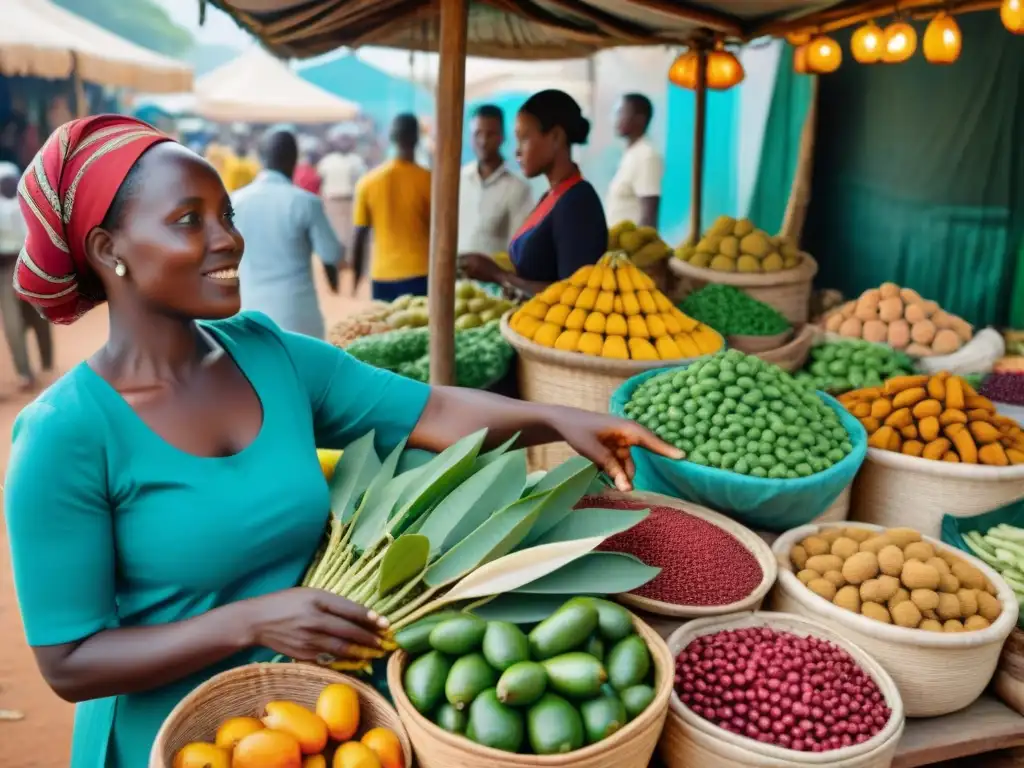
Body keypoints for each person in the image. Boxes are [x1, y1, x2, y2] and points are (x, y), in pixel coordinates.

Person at [3, 115, 679, 768]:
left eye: (228, 216)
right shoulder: (65, 433)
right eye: (189, 221)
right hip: (181, 738)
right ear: (107, 249)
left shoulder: (270, 356)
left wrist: (559, 419)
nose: (228, 240)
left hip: (326, 721)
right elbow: (70, 661)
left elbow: (432, 408)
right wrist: (252, 621)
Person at [461, 90, 607, 297]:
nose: (517, 151)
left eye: (524, 139)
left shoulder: (577, 202)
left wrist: (499, 276)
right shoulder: (551, 197)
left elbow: (576, 297)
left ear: (556, 137)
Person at [232, 127, 343, 339]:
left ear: (261, 158)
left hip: (247, 315)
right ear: (294, 160)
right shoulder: (306, 202)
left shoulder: (234, 202)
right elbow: (331, 254)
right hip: (298, 318)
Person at [351, 114, 431, 302]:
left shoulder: (368, 182)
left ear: (391, 137)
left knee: (385, 329)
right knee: (420, 330)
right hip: (421, 273)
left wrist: (355, 278)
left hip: (382, 276)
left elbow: (359, 236)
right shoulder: (429, 181)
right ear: (417, 138)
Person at [0, 162, 53, 389]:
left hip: (29, 266)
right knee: (12, 324)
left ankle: (47, 362)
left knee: (40, 314)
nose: (9, 185)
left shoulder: (29, 204)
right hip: (4, 270)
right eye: (5, 183)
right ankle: (24, 372)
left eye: (12, 181)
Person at [457, 104, 533, 259]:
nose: (483, 141)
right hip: (455, 279)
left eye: (490, 134)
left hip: (494, 281)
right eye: (477, 134)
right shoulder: (458, 180)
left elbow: (519, 247)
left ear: (502, 136)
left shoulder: (518, 188)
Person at [318, 128, 367, 292]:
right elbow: (321, 181)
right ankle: (336, 276)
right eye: (341, 140)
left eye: (346, 140)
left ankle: (351, 275)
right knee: (334, 238)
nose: (344, 143)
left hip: (351, 201)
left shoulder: (356, 161)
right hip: (332, 202)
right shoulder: (327, 161)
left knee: (351, 237)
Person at [606, 93, 663, 228]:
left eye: (622, 113)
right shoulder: (630, 154)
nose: (616, 120)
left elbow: (649, 214)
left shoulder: (646, 155)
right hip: (616, 246)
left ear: (640, 119)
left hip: (631, 247)